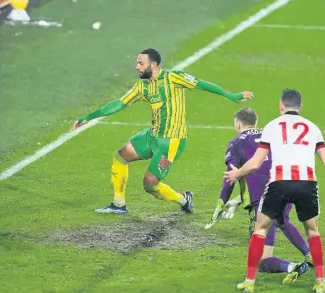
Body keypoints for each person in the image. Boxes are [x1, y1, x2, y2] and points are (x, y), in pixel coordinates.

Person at [73, 48, 254, 214]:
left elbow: (202, 84)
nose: (136, 66)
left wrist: (232, 96)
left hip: (171, 142)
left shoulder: (174, 78)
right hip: (153, 135)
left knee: (150, 185)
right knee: (120, 156)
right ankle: (118, 205)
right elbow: (119, 104)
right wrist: (89, 116)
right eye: (137, 63)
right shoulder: (142, 87)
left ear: (154, 64)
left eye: (140, 63)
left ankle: (184, 200)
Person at [224, 89, 325, 293]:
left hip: (279, 183)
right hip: (307, 184)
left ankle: (249, 282)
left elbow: (255, 163)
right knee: (313, 232)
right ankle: (320, 282)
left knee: (260, 229)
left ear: (281, 106)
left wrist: (237, 174)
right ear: (300, 107)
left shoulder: (271, 127)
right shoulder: (312, 127)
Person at [207, 107, 312, 284]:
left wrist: (221, 203)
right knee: (282, 219)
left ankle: (292, 266)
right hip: (291, 183)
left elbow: (230, 177)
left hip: (265, 200)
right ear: (255, 122)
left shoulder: (236, 143)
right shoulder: (271, 135)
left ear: (238, 124)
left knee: (262, 261)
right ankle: (309, 254)